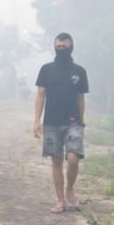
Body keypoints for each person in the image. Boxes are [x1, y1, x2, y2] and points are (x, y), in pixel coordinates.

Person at [33, 33, 88, 213]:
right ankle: (60, 200)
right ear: (55, 46)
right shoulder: (46, 70)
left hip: (73, 122)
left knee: (73, 158)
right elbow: (41, 95)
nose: (61, 47)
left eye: (64, 45)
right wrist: (37, 121)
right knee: (56, 161)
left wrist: (81, 120)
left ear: (71, 46)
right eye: (58, 45)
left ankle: (70, 189)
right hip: (51, 122)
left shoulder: (79, 72)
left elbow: (81, 98)